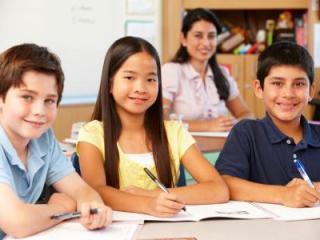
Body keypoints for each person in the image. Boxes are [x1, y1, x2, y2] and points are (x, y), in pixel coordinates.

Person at [76, 36, 229, 217]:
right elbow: (96, 191)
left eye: (151, 79)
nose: (141, 87)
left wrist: (152, 196)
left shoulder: (174, 132)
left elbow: (218, 189)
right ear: (110, 83)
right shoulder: (92, 134)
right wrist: (148, 204)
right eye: (130, 77)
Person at [0, 43, 112, 239]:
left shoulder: (44, 138)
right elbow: (17, 222)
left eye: (50, 100)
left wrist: (94, 207)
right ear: (1, 97)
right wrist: (60, 207)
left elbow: (82, 191)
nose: (39, 111)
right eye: (27, 97)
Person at [215, 41, 320, 208]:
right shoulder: (246, 132)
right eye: (277, 83)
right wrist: (284, 194)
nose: (288, 94)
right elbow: (225, 183)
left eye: (299, 84)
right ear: (259, 88)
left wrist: (315, 189)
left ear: (311, 91)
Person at [162, 8, 252, 132]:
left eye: (211, 36)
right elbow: (162, 119)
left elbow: (245, 114)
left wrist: (234, 123)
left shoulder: (222, 73)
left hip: (222, 147)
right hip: (183, 149)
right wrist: (208, 126)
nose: (206, 43)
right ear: (183, 39)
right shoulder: (171, 71)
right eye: (198, 36)